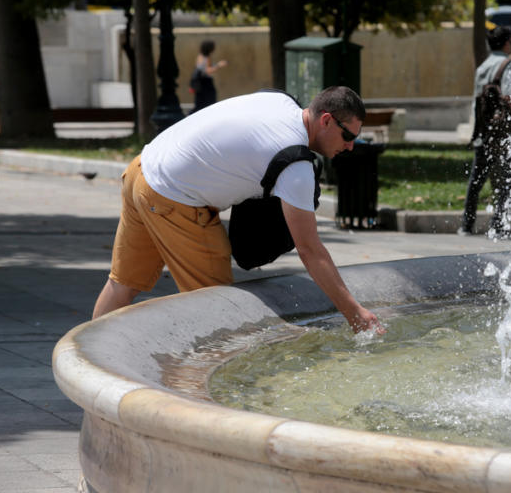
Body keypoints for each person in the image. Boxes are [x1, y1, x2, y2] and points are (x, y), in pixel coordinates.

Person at [92, 86, 384, 335]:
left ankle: (89, 379)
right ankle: (198, 398)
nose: (349, 146)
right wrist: (353, 311)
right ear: (326, 121)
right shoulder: (295, 165)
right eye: (348, 136)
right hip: (171, 198)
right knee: (219, 312)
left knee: (122, 285)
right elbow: (310, 250)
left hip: (142, 168)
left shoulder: (279, 101)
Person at [459, 25, 511, 237]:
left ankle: (466, 225)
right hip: (502, 134)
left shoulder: (482, 67)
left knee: (476, 180)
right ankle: (498, 225)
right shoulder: (508, 65)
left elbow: (478, 101)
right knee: (506, 180)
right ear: (505, 43)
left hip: (483, 132)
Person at [191, 40, 227, 113]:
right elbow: (207, 70)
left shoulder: (205, 57)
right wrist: (219, 65)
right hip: (204, 83)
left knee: (204, 103)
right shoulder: (203, 57)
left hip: (205, 83)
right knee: (205, 103)